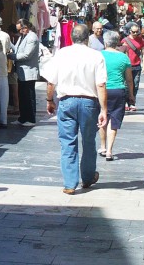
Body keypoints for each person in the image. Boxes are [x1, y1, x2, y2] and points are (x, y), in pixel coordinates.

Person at [42, 23, 108, 195]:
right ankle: (87, 177)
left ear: (71, 37)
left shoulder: (61, 53)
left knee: (67, 142)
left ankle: (70, 184)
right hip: (89, 103)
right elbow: (100, 84)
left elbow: (51, 81)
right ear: (87, 38)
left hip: (66, 101)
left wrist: (49, 99)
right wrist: (104, 110)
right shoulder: (96, 56)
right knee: (88, 141)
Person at [99, 30, 134, 161]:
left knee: (102, 117)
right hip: (118, 91)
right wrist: (131, 95)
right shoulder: (124, 57)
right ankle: (109, 151)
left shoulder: (99, 56)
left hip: (102, 90)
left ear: (105, 42)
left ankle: (102, 146)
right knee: (114, 121)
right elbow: (129, 79)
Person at [13, 19, 40, 125]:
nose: (19, 32)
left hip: (28, 72)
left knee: (29, 96)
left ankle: (31, 118)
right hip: (22, 72)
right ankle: (23, 117)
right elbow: (17, 49)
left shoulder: (32, 37)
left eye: (20, 29)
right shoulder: (23, 37)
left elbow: (27, 55)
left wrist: (12, 56)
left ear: (25, 27)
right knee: (22, 95)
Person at [119, 21, 144, 111]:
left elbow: (143, 53)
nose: (135, 34)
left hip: (137, 65)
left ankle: (132, 102)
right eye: (133, 32)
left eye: (136, 32)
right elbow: (122, 53)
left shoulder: (140, 40)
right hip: (127, 66)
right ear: (129, 31)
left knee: (135, 84)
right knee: (127, 84)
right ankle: (126, 102)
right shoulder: (125, 40)